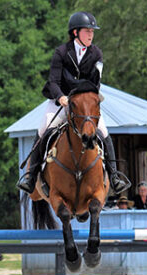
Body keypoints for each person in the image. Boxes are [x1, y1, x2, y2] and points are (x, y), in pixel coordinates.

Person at [17, 11, 131, 195]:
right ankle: (31, 177)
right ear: (76, 32)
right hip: (60, 102)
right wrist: (61, 96)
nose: (91, 35)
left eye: (92, 31)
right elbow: (53, 81)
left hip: (84, 106)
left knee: (103, 132)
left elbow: (96, 83)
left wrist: (86, 100)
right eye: (87, 31)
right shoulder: (61, 53)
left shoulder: (97, 54)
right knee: (44, 129)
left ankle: (115, 176)